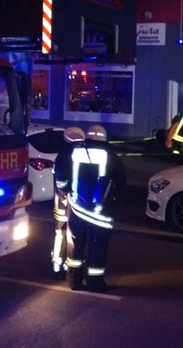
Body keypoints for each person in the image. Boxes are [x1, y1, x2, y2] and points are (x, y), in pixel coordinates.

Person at [65, 123, 127, 293]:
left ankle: (74, 280)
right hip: (99, 212)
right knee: (98, 247)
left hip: (77, 207)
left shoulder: (76, 151)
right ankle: (95, 283)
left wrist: (66, 192)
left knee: (75, 245)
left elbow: (64, 174)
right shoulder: (110, 154)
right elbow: (121, 179)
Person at [51, 126, 86, 280]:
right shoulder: (66, 156)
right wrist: (67, 195)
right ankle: (60, 265)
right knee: (64, 233)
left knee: (64, 234)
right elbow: (61, 182)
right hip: (65, 201)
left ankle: (60, 265)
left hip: (65, 200)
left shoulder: (64, 154)